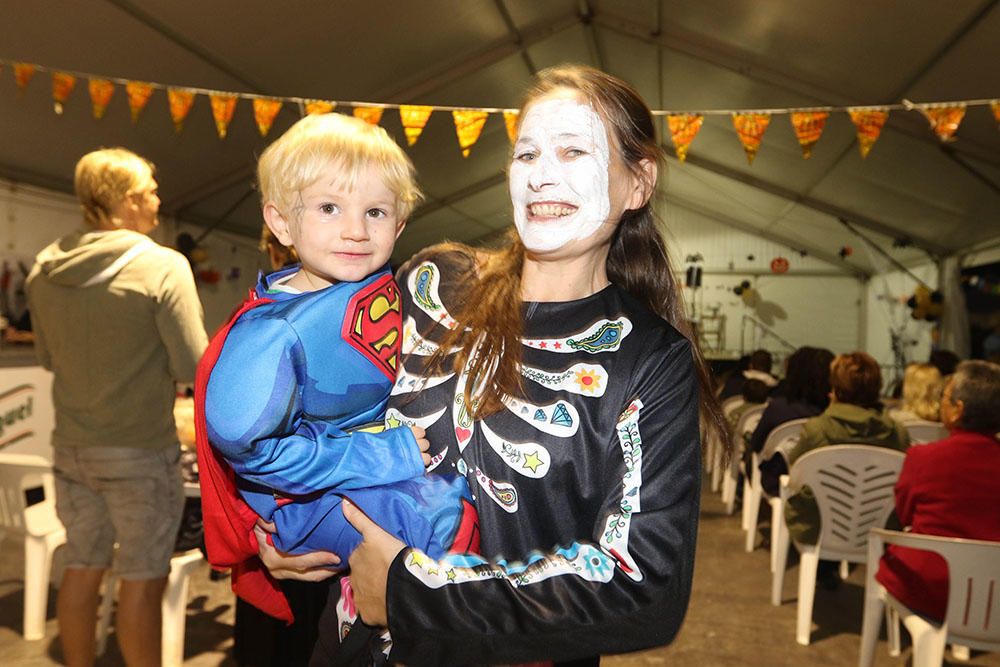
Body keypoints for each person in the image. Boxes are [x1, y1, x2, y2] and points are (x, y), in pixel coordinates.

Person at [256, 64, 727, 665]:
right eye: (526, 155)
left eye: (573, 151)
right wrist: (273, 525)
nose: (542, 176)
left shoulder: (651, 361)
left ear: (638, 184)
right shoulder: (433, 284)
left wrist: (411, 593)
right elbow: (308, 402)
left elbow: (644, 585)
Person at [196, 113, 476, 624]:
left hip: (353, 491)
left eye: (375, 211)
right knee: (443, 530)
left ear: (400, 223)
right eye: (329, 207)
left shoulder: (399, 289)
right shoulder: (273, 331)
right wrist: (377, 454)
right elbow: (244, 443)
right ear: (281, 222)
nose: (355, 231)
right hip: (305, 504)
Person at [26, 148, 208, 666]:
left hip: (71, 450)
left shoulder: (44, 267)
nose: (157, 198)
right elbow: (193, 366)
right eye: (151, 190)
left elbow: (45, 356)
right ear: (128, 201)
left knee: (81, 567)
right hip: (140, 451)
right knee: (143, 578)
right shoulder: (163, 265)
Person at [876, 360, 1000, 620]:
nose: (940, 403)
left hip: (932, 589)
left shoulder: (925, 457)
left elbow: (905, 514)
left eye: (944, 397)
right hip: (993, 597)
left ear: (958, 410)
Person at [783, 352, 909, 586]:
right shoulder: (898, 433)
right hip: (877, 528)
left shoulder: (817, 429)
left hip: (819, 527)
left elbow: (795, 471)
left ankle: (825, 567)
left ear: (835, 387)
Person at [750, 346, 834, 496]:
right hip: (828, 486)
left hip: (779, 483)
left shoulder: (778, 408)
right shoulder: (834, 414)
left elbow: (756, 444)